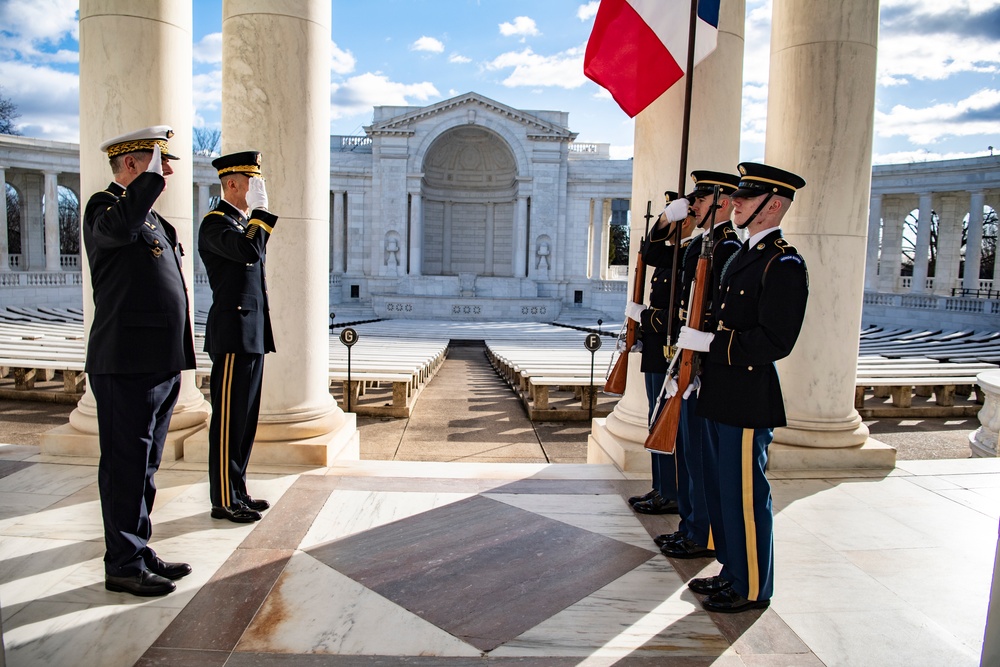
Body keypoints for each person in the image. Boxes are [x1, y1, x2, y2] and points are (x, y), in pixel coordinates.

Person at [675, 162, 809, 613]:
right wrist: (696, 362)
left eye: (746, 198)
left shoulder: (784, 262)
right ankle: (732, 571)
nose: (735, 202)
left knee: (746, 496)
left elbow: (776, 340)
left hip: (749, 398)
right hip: (719, 391)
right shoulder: (741, 255)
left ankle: (752, 586)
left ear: (772, 206)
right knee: (721, 490)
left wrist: (711, 343)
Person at [84, 125, 196, 597]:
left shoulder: (151, 221)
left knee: (146, 465)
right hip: (125, 362)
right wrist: (145, 184)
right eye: (158, 163)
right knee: (126, 465)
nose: (167, 171)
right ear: (132, 165)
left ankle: (138, 548)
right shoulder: (104, 209)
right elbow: (119, 226)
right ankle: (123, 565)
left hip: (158, 361)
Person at [655, 171, 742, 561]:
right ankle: (691, 526)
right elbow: (656, 255)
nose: (693, 207)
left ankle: (700, 533)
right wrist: (664, 221)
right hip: (685, 357)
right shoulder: (702, 243)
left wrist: (699, 358)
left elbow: (715, 313)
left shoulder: (724, 247)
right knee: (690, 453)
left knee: (702, 460)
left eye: (700, 202)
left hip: (702, 366)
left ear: (720, 203)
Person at [199, 151, 279, 523]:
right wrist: (261, 214)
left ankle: (239, 490)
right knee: (228, 420)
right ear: (232, 184)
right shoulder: (216, 224)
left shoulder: (240, 223)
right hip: (232, 333)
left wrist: (256, 217)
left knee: (245, 420)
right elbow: (249, 250)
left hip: (250, 332)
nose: (258, 189)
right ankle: (223, 500)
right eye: (253, 182)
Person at [623, 191, 694, 515]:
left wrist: (645, 318)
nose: (673, 227)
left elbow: (680, 312)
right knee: (656, 418)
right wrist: (665, 219)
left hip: (671, 350)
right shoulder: (674, 254)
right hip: (657, 348)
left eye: (678, 219)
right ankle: (662, 486)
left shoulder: (692, 255)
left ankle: (673, 491)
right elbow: (648, 250)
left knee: (668, 421)